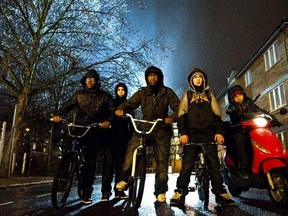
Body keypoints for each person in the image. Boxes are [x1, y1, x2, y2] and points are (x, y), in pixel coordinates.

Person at [170, 67, 235, 206]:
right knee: (186, 166)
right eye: (195, 77)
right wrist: (183, 134)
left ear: (204, 79)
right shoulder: (186, 96)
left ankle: (220, 193)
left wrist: (219, 132)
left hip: (208, 135)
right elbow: (181, 116)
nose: (198, 79)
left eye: (200, 77)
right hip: (191, 136)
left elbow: (217, 115)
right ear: (191, 81)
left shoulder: (210, 95)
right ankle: (180, 192)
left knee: (214, 166)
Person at [114, 66, 180, 203]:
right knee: (132, 149)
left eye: (155, 75)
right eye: (150, 75)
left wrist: (171, 117)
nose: (152, 77)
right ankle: (124, 180)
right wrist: (121, 109)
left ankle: (160, 191)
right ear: (146, 78)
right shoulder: (142, 93)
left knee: (162, 160)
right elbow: (130, 104)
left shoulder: (167, 92)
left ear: (159, 77)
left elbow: (178, 108)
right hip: (144, 125)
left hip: (161, 127)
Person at [51, 69, 115, 204]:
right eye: (87, 79)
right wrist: (58, 114)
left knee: (90, 162)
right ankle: (64, 174)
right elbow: (67, 106)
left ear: (96, 80)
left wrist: (108, 121)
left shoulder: (105, 96)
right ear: (84, 81)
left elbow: (112, 111)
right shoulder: (78, 95)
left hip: (95, 129)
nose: (90, 81)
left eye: (92, 79)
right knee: (69, 150)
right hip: (79, 128)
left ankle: (86, 191)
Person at [225, 84, 280, 180]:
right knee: (240, 140)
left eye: (240, 95)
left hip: (255, 129)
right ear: (232, 99)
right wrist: (238, 115)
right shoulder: (232, 108)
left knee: (267, 135)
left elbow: (263, 111)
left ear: (244, 95)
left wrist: (274, 119)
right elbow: (237, 115)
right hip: (241, 131)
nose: (238, 98)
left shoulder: (251, 104)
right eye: (235, 96)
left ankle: (276, 155)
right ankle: (244, 168)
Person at [111, 82, 133, 199]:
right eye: (118, 89)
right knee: (109, 164)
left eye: (122, 90)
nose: (120, 92)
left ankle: (119, 191)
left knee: (120, 165)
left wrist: (132, 135)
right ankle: (106, 192)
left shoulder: (129, 105)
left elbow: (132, 121)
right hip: (111, 136)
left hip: (123, 137)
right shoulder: (112, 103)